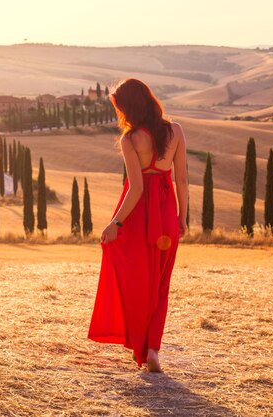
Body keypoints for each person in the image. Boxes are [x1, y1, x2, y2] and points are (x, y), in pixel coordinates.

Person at [87, 78, 189, 373]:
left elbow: (136, 188)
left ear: (129, 107)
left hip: (139, 219)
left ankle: (141, 348)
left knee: (137, 283)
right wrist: (182, 217)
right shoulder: (176, 131)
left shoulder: (130, 140)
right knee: (160, 285)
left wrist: (115, 222)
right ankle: (153, 349)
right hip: (167, 216)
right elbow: (181, 180)